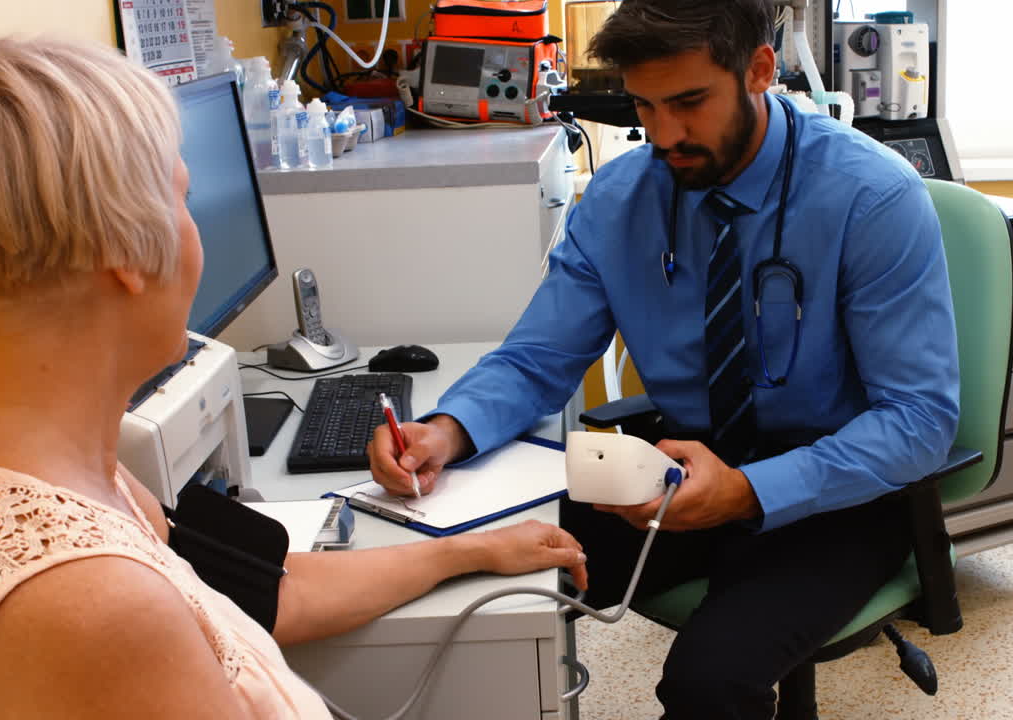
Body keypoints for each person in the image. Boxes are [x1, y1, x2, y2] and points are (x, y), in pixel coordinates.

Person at [368, 1, 959, 717]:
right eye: (645, 106)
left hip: (836, 489)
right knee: (474, 575)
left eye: (689, 102)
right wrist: (445, 431)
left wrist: (746, 490)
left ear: (760, 71)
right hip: (677, 472)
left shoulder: (872, 198)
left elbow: (921, 421)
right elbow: (536, 359)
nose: (665, 135)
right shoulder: (621, 199)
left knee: (708, 685)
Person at [0, 37, 587, 719]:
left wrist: (469, 553)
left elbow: (273, 590)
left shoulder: (82, 478)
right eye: (185, 198)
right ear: (123, 250)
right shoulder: (100, 604)